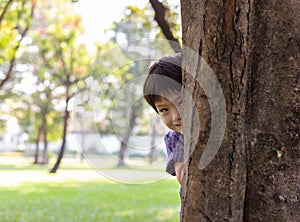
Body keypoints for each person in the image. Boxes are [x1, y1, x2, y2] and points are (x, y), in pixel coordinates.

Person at [143, 53, 184, 196]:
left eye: (182, 102)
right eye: (164, 110)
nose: (176, 116)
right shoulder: (176, 139)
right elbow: (183, 175)